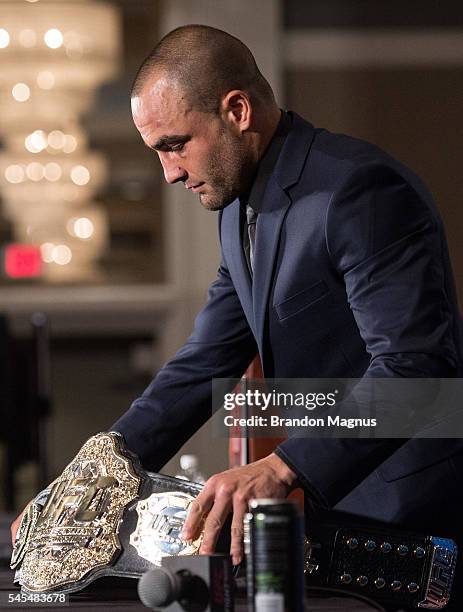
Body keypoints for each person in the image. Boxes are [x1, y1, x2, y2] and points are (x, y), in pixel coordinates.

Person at [12, 24, 463, 583]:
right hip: (335, 518)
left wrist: (284, 465)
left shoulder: (359, 190)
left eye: (175, 144)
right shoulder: (237, 206)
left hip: (417, 524)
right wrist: (96, 473)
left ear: (238, 111)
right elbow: (204, 359)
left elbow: (416, 369)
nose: (170, 172)